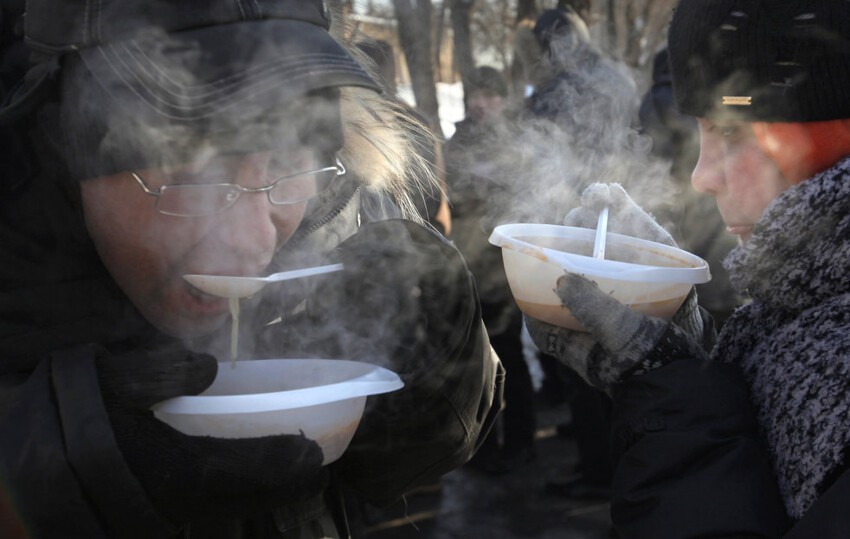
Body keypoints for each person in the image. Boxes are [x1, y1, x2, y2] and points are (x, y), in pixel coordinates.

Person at [0, 1, 503, 537]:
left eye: (286, 168)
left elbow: (387, 470)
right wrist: (50, 463)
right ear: (63, 143)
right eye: (193, 180)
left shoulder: (336, 205)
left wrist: (439, 370)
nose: (253, 243)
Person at [525, 0, 850, 536]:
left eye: (730, 130)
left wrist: (670, 400)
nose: (701, 176)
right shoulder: (804, 308)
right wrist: (682, 354)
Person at [444, 66, 538, 474]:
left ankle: (520, 439)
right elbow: (445, 196)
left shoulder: (518, 141)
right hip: (468, 263)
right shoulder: (456, 142)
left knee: (510, 354)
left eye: (489, 96)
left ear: (504, 100)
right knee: (475, 359)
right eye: (474, 96)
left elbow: (528, 198)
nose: (480, 104)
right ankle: (481, 445)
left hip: (506, 264)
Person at [638, 47, 742, 326]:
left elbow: (655, 166)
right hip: (718, 213)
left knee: (696, 307)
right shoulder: (712, 98)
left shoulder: (656, 102)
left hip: (685, 208)